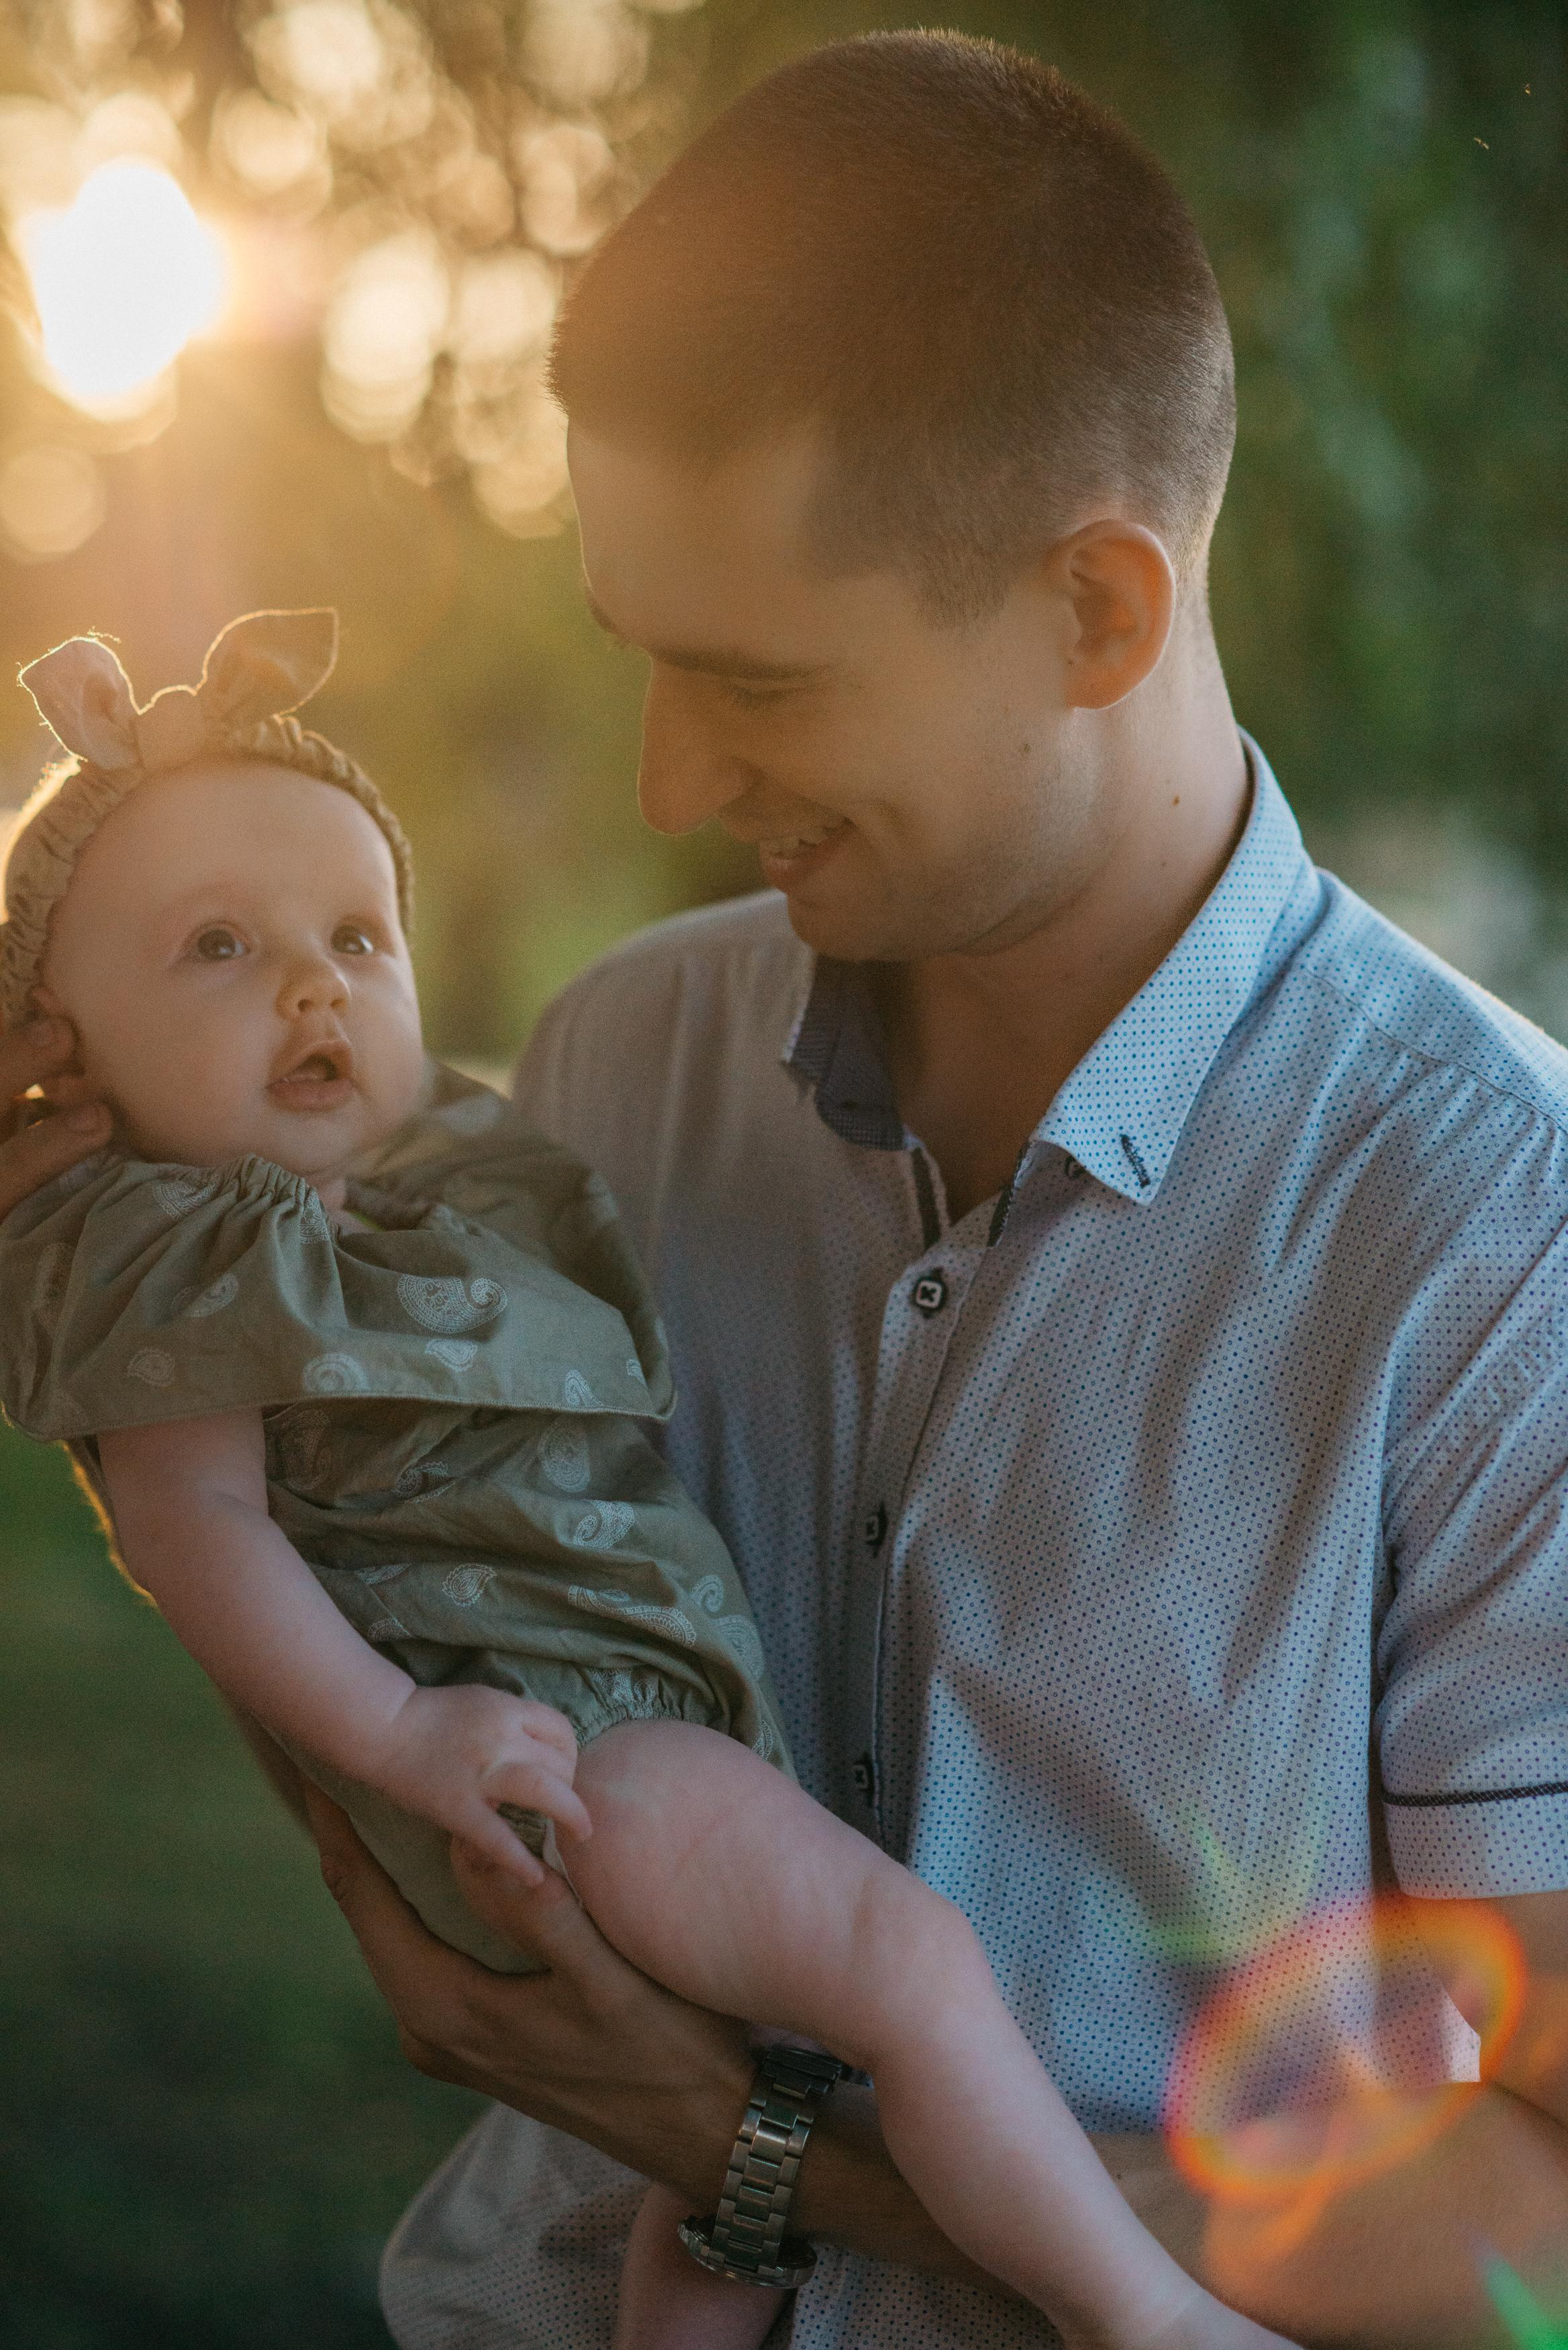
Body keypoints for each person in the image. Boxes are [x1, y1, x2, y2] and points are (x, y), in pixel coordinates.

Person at [5, 27, 1567, 2350]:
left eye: (754, 680)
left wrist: (782, 2165)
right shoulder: (619, 1067)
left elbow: (1551, 2210)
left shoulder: (1499, 1240)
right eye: (644, 654)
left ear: (1098, 614)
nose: (662, 772)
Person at [0, 608, 1297, 2350]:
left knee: (730, 2161)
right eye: (216, 946)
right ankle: (1143, 2313)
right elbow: (195, 1534)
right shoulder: (180, 1249)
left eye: (355, 937)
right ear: (55, 1041)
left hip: (564, 1724)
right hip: (537, 1743)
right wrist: (401, 1737)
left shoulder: (408, 1187)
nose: (312, 985)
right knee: (904, 1970)